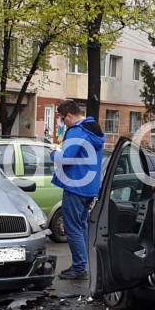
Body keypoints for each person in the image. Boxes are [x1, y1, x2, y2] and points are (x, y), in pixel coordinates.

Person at [50, 99, 105, 280]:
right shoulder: (93, 128)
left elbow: (66, 158)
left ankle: (79, 267)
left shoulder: (77, 131)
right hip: (89, 187)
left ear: (70, 115)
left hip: (75, 186)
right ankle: (86, 265)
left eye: (63, 119)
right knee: (82, 227)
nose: (62, 123)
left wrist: (53, 153)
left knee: (72, 228)